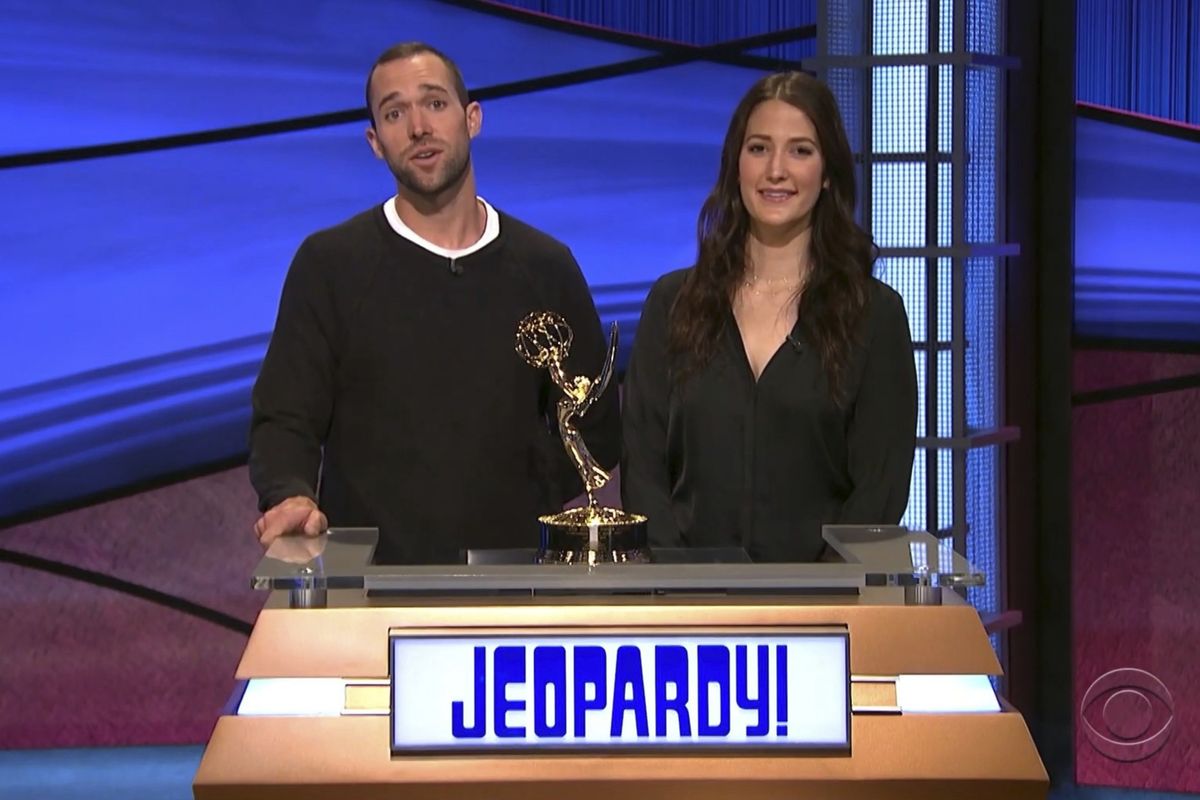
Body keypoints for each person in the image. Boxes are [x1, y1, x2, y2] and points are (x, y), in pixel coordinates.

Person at [249, 42, 619, 564]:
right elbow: (284, 418)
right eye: (395, 112)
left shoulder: (545, 267)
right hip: (370, 591)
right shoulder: (330, 265)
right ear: (375, 142)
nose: (418, 126)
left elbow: (594, 420)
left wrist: (518, 499)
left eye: (435, 103)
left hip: (515, 588)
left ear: (472, 119)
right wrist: (290, 494)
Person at [620, 71, 917, 563]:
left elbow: (877, 493)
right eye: (759, 148)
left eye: (800, 150)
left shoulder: (875, 317)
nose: (776, 170)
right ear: (736, 165)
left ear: (827, 173)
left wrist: (817, 605)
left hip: (823, 615)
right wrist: (677, 585)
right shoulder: (673, 304)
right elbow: (644, 470)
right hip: (689, 608)